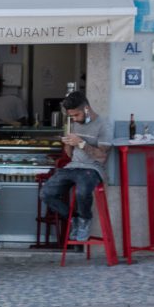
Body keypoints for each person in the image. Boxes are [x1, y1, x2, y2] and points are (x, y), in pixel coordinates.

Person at [39, 91, 111, 241]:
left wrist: (81, 142)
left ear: (86, 109)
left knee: (82, 191)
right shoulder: (73, 124)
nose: (74, 119)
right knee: (46, 193)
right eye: (71, 116)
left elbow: (102, 155)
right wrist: (67, 143)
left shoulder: (104, 125)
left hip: (93, 168)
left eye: (76, 115)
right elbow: (70, 155)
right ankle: (74, 219)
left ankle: (85, 220)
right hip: (73, 166)